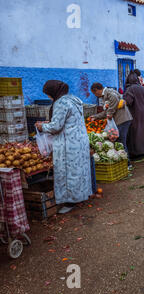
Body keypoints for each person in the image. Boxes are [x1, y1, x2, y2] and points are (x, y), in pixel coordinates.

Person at [36, 80, 92, 214]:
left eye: (48, 94)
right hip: (79, 140)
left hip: (69, 144)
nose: (49, 97)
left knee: (69, 173)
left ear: (53, 92)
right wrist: (50, 122)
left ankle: (70, 201)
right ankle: (80, 196)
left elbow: (56, 126)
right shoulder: (73, 99)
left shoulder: (61, 103)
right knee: (79, 171)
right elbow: (65, 120)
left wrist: (42, 126)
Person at [89, 82, 133, 164]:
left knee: (121, 141)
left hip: (123, 120)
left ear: (97, 90)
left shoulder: (109, 93)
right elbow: (106, 111)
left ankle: (127, 163)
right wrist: (96, 116)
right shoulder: (105, 95)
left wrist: (110, 113)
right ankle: (124, 162)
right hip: (120, 120)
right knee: (120, 141)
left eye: (94, 93)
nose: (95, 95)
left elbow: (113, 103)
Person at [122, 70, 144, 160]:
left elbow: (127, 102)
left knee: (135, 133)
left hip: (135, 114)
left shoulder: (130, 89)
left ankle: (136, 153)